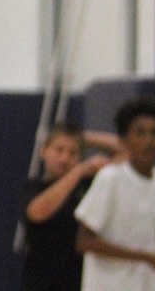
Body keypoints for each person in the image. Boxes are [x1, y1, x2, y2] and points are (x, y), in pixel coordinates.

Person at [76, 97, 155, 291]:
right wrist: (148, 258)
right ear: (125, 139)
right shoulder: (110, 178)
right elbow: (84, 241)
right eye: (140, 132)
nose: (149, 141)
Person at [21, 121, 124, 291]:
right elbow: (38, 213)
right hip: (42, 282)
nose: (64, 158)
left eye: (72, 152)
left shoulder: (88, 185)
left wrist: (84, 137)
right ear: (44, 151)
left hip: (81, 282)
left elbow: (129, 151)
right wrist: (80, 170)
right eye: (59, 150)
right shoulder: (34, 187)